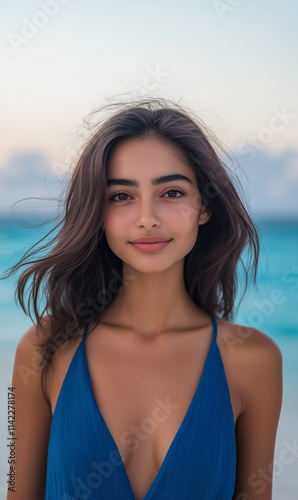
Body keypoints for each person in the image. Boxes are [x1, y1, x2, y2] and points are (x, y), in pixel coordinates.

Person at [5, 97, 283, 500]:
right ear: (97, 212)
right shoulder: (44, 348)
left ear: (204, 206)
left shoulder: (254, 360)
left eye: (171, 192)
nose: (147, 217)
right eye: (121, 196)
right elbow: (16, 489)